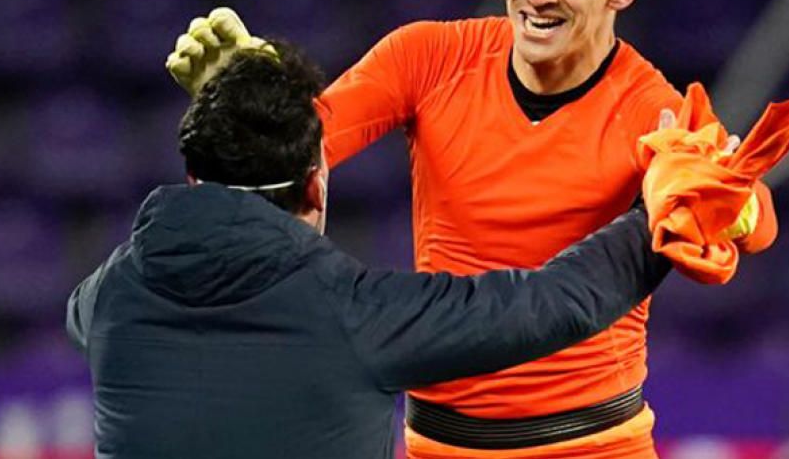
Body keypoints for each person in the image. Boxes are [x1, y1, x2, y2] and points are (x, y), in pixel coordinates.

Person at [167, 0, 778, 458]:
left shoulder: (654, 111)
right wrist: (246, 108)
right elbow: (297, 149)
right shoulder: (427, 57)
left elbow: (755, 217)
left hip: (596, 446)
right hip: (440, 445)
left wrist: (732, 204)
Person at [66, 41, 728, 459]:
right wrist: (655, 221)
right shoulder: (354, 315)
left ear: (193, 177)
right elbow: (551, 305)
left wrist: (234, 111)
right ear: (316, 185)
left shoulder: (107, 299)